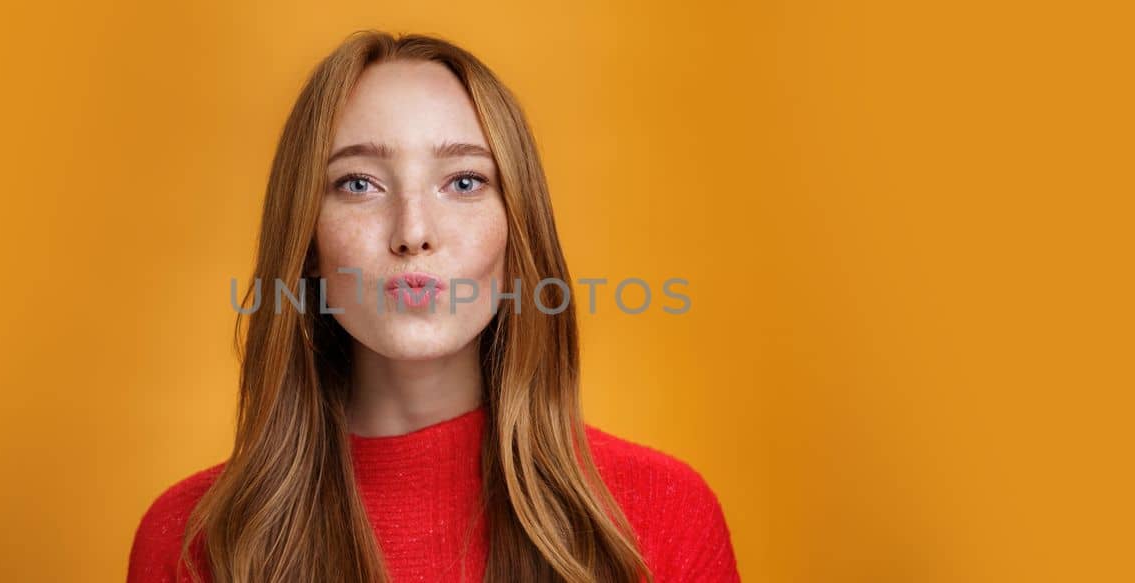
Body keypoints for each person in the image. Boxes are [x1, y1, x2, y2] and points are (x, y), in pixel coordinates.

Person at [127, 31, 741, 582]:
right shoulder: (190, 543)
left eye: (464, 182)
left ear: (518, 232)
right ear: (307, 243)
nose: (413, 231)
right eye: (359, 184)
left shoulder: (663, 515)